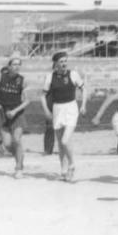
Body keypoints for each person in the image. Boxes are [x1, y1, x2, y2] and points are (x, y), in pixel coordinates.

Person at [40, 52, 87, 182]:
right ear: (55, 63)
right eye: (61, 61)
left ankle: (72, 164)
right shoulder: (50, 77)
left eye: (65, 61)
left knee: (66, 140)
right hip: (57, 109)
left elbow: (84, 89)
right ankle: (64, 170)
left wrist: (83, 105)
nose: (64, 63)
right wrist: (46, 111)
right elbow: (42, 96)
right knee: (60, 144)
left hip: (71, 108)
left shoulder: (73, 74)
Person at [0, 58, 30, 178]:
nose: (16, 66)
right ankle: (19, 158)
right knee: (7, 144)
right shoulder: (0, 78)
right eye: (14, 64)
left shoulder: (23, 80)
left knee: (17, 139)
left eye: (18, 64)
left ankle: (19, 167)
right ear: (9, 66)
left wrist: (15, 111)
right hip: (3, 113)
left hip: (17, 113)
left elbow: (27, 101)